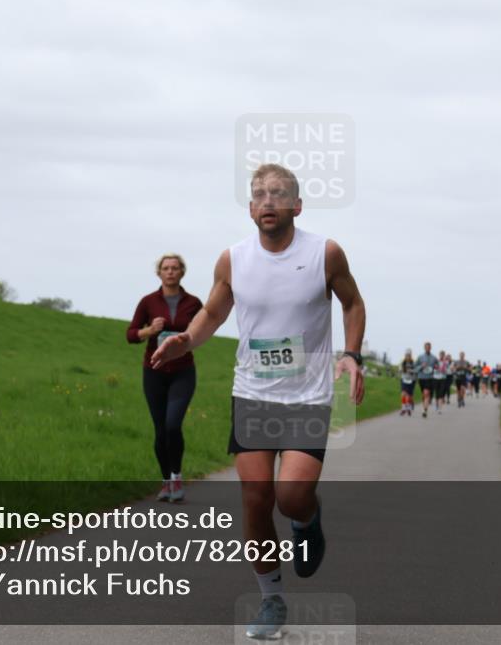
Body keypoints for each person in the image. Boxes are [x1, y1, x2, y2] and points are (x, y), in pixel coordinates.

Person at [150, 163, 365, 639]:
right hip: (252, 394)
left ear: (297, 205)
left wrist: (351, 354)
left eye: (279, 193)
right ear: (250, 208)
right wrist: (186, 339)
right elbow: (212, 313)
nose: (269, 201)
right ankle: (271, 600)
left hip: (307, 397)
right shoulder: (233, 260)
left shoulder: (325, 253)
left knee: (291, 497)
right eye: (260, 195)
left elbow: (352, 303)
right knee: (255, 498)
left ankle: (308, 518)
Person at [127, 254, 203, 502]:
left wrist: (188, 338)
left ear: (182, 272)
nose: (170, 272)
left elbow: (202, 331)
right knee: (160, 430)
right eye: (165, 268)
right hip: (154, 373)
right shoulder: (148, 302)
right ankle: (166, 482)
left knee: (172, 425)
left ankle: (176, 477)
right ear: (159, 273)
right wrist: (150, 330)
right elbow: (130, 335)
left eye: (175, 268)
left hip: (182, 372)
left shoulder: (193, 303)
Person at [413, 342, 438, 418]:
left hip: (430, 378)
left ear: (431, 348)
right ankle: (424, 407)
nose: (428, 348)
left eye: (429, 347)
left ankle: (425, 410)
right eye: (426, 347)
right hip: (421, 378)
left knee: (426, 393)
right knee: (424, 394)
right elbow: (415, 368)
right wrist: (421, 366)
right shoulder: (420, 357)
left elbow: (438, 366)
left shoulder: (434, 358)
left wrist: (436, 367)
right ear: (424, 348)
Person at [399, 349, 416, 416]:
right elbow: (400, 369)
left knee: (409, 395)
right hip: (404, 379)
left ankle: (409, 407)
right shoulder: (402, 362)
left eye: (409, 355)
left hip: (411, 380)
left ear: (411, 355)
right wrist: (402, 370)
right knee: (403, 394)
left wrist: (411, 370)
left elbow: (415, 370)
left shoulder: (413, 363)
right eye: (406, 355)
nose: (408, 356)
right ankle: (403, 408)